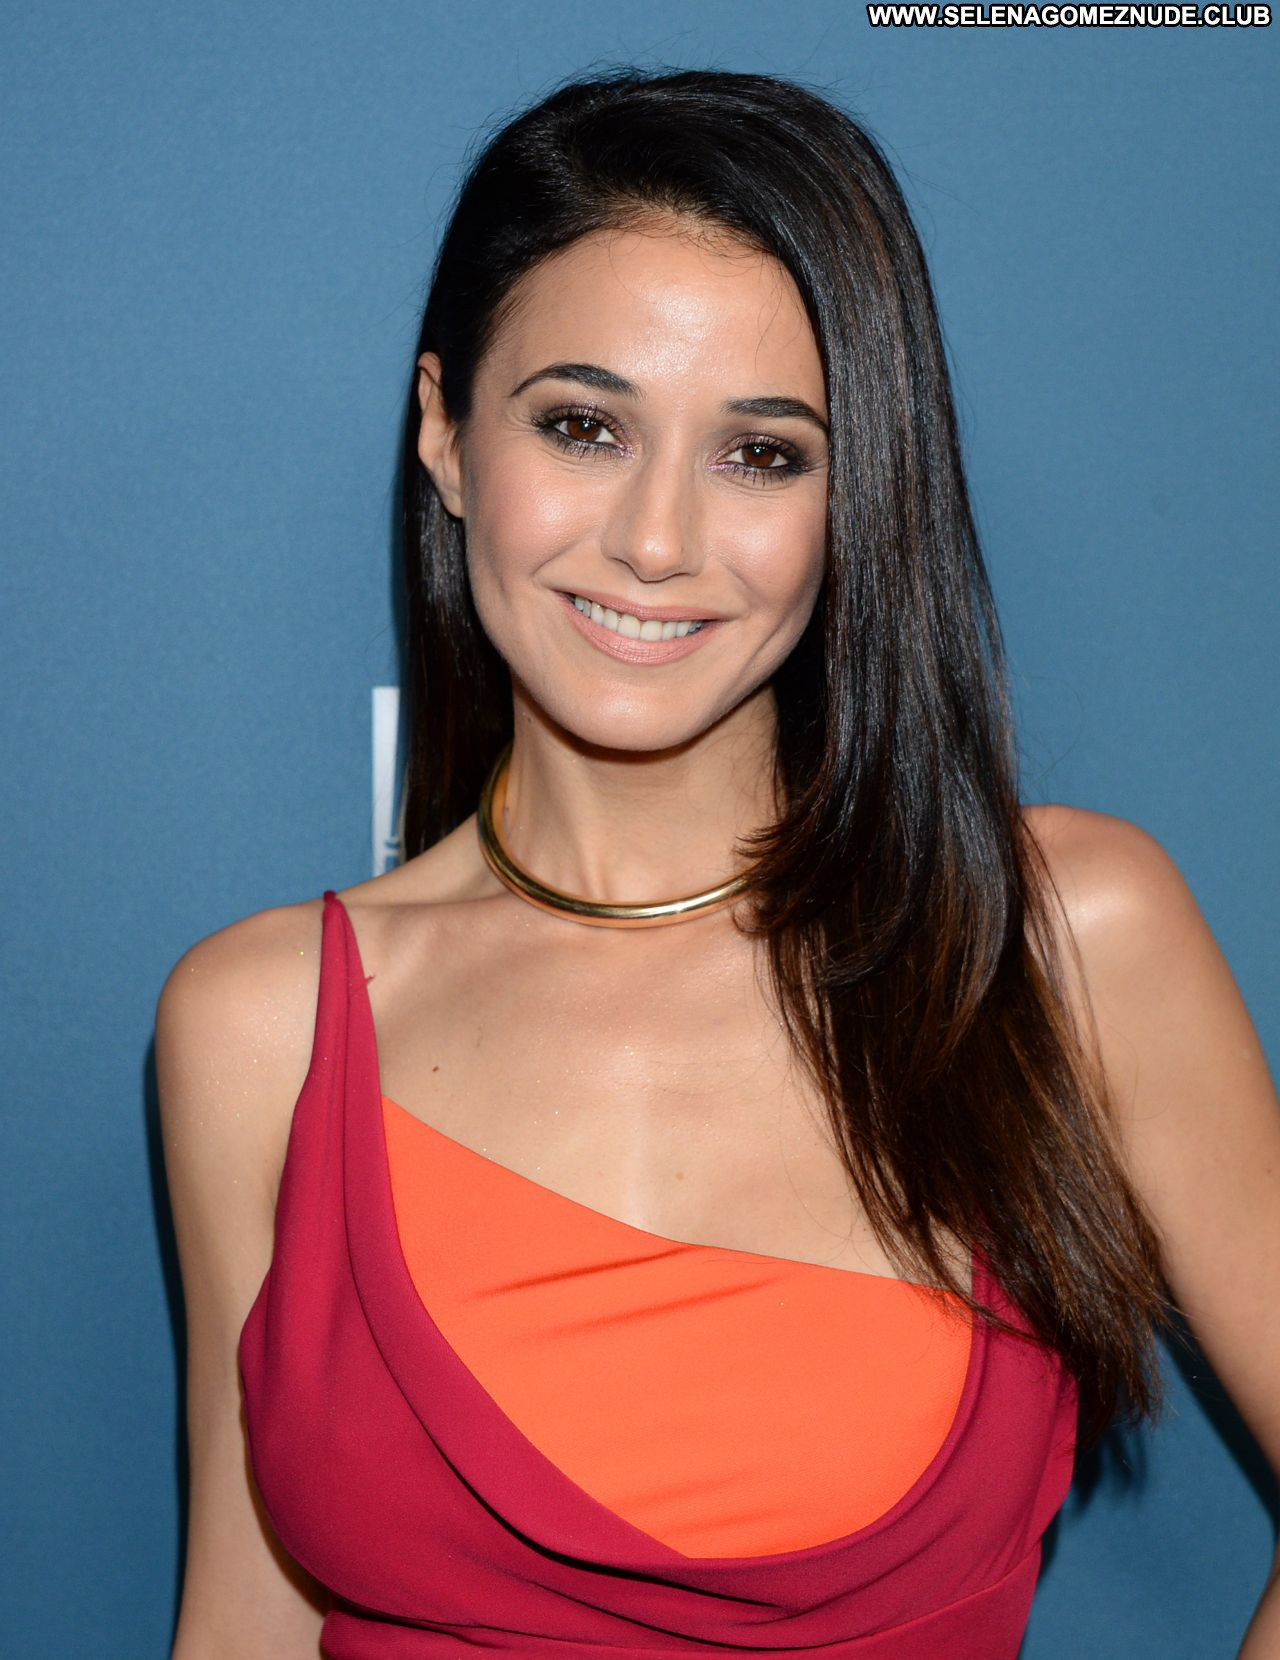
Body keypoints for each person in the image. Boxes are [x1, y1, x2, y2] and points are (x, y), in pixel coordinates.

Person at [155, 68, 1280, 1659]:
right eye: (583, 426)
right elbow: (245, 1617)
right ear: (446, 434)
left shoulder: (1048, 942)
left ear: (854, 496)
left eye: (760, 455)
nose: (657, 540)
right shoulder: (260, 1024)